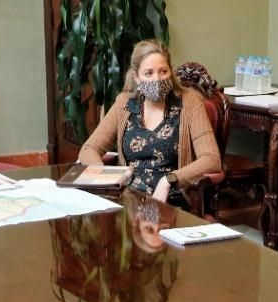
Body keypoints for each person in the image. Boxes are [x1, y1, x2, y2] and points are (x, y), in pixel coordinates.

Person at [76, 39, 222, 209]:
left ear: (171, 72)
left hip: (169, 200)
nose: (157, 79)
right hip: (128, 200)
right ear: (136, 77)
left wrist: (168, 180)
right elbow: (89, 149)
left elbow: (211, 159)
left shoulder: (189, 102)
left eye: (163, 71)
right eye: (148, 73)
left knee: (150, 221)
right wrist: (105, 176)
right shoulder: (124, 103)